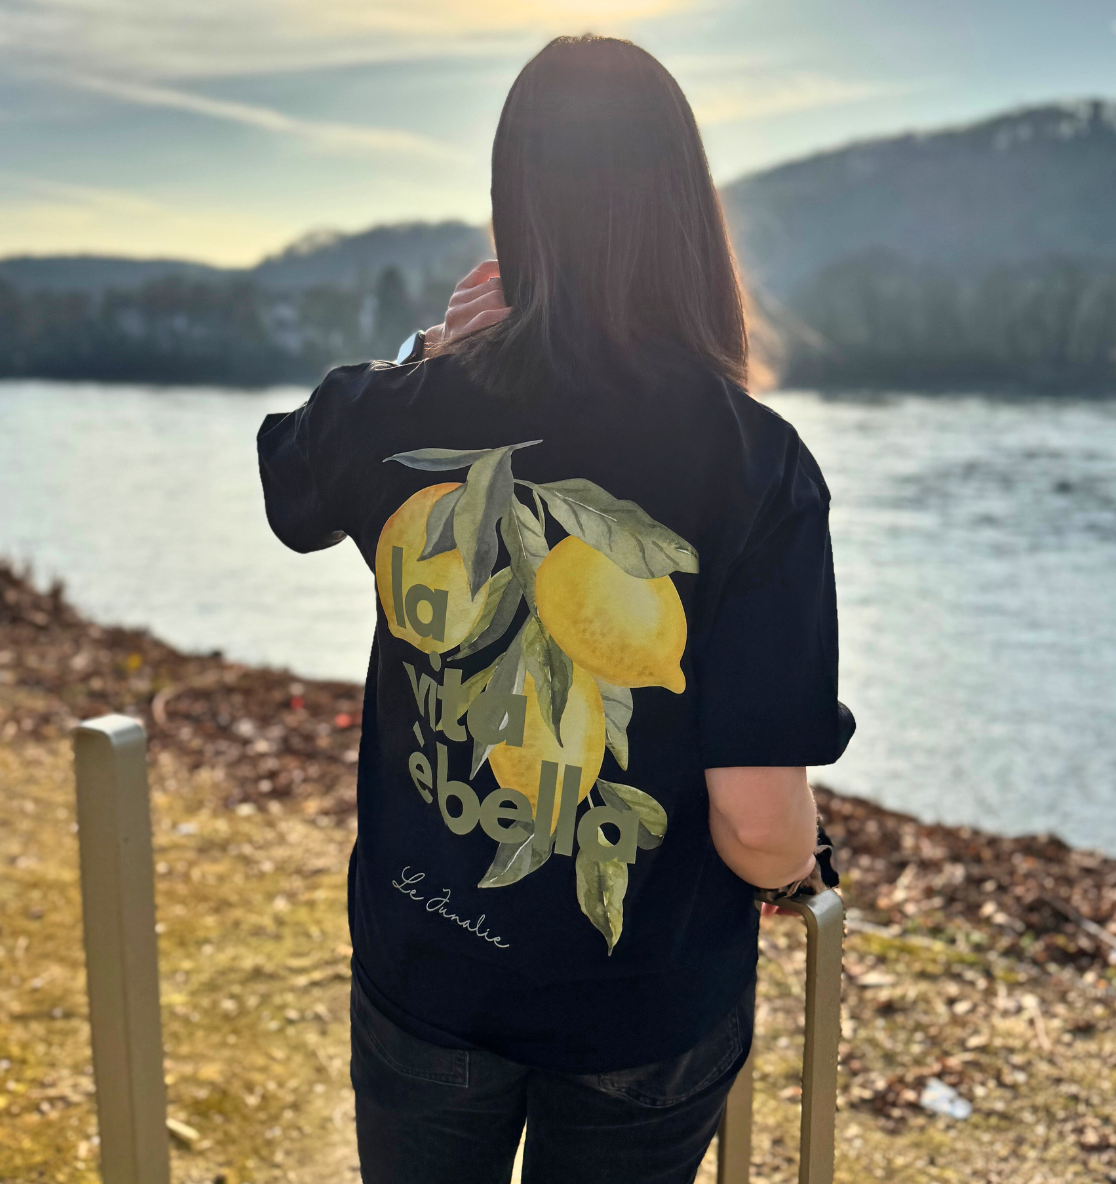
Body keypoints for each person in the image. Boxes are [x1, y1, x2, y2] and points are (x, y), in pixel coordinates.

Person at [257, 34, 853, 1184]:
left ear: (514, 203)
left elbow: (292, 483)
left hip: (428, 970)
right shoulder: (758, 463)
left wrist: (428, 353)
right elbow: (759, 821)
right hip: (640, 1011)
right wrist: (796, 875)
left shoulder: (406, 406)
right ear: (684, 211)